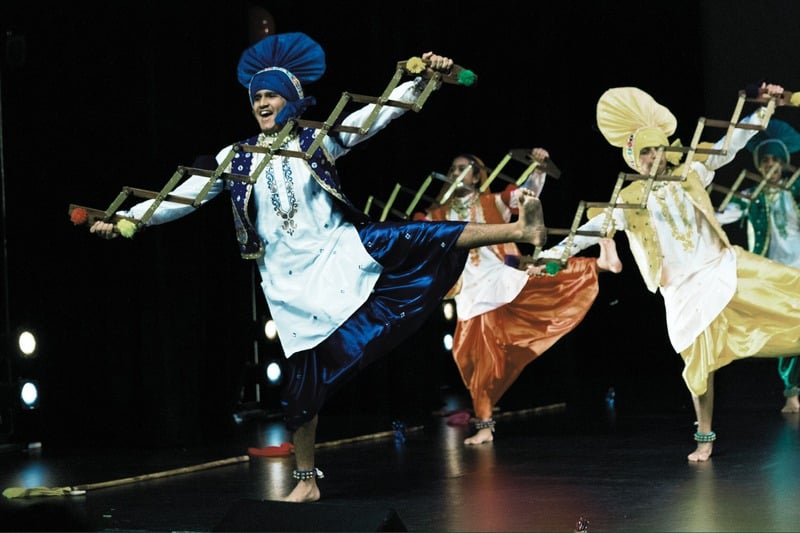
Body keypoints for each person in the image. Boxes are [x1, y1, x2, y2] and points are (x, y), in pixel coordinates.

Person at [87, 32, 549, 502]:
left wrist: (422, 80)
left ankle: (519, 233)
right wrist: (126, 221)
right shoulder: (236, 157)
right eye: (257, 97)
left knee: (416, 234)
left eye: (271, 95)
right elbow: (184, 195)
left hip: (341, 249)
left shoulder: (318, 139)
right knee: (303, 386)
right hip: (291, 285)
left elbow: (372, 117)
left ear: (290, 100)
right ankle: (306, 483)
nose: (262, 103)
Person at [538, 85, 800, 462]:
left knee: (787, 287)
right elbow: (586, 233)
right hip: (680, 291)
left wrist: (764, 110)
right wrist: (551, 257)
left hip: (721, 267)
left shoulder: (691, 172)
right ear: (632, 156)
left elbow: (730, 143)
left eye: (658, 148)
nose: (654, 156)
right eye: (645, 151)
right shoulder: (626, 200)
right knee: (696, 367)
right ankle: (705, 437)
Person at [415, 149, 622, 445]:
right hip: (469, 291)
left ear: (476, 176)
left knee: (548, 276)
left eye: (464, 168)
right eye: (453, 168)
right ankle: (485, 426)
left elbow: (527, 197)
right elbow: (418, 238)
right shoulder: (437, 214)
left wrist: (538, 168)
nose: (457, 173)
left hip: (501, 273)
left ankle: (599, 260)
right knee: (469, 359)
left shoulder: (491, 202)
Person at [716, 118, 800, 413]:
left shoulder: (796, 189)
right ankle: (792, 393)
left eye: (776, 160)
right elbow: (721, 215)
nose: (770, 166)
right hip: (773, 274)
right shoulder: (751, 196)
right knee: (787, 334)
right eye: (765, 161)